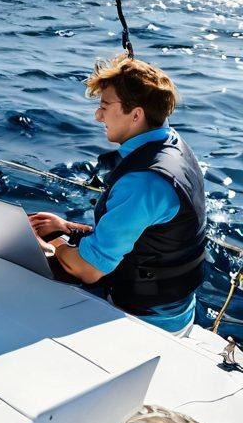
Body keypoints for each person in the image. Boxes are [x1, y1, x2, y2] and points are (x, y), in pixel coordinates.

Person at [29, 54, 207, 334]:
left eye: (104, 106)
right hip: (176, 308)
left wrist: (50, 247)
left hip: (146, 321)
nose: (97, 115)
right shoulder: (171, 143)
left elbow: (89, 269)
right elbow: (146, 235)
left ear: (136, 114)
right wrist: (68, 229)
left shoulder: (144, 180)